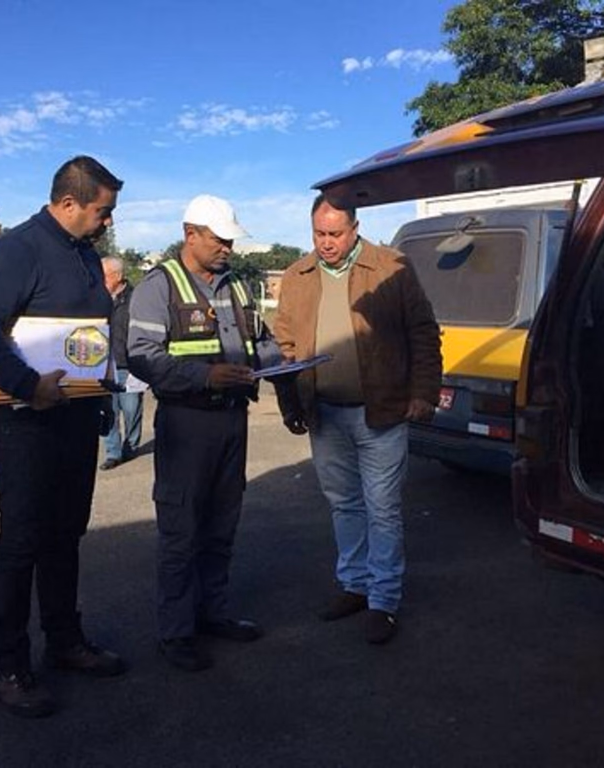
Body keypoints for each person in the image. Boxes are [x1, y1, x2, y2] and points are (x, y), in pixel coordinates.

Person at [0, 155, 126, 718]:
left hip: (75, 419)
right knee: (23, 540)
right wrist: (28, 385)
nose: (107, 222)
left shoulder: (82, 253)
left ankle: (65, 641)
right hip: (26, 421)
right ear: (69, 202)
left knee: (65, 536)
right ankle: (6, 665)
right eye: (102, 212)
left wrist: (97, 401)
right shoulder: (17, 250)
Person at [273, 195, 442, 645]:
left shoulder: (391, 267)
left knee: (382, 509)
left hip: (381, 412)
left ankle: (383, 602)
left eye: (335, 234)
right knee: (343, 504)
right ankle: (355, 585)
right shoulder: (296, 276)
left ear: (355, 228)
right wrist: (292, 404)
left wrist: (423, 392)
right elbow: (285, 345)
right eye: (318, 234)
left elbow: (424, 333)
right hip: (325, 413)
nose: (326, 244)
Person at [127, 194, 283, 672]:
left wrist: (286, 364)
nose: (228, 248)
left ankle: (212, 613)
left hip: (232, 420)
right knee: (181, 529)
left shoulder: (235, 287)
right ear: (190, 233)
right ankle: (175, 632)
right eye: (220, 239)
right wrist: (204, 376)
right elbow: (142, 355)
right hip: (186, 422)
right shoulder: (160, 286)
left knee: (221, 523)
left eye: (232, 240)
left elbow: (260, 343)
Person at [99, 256, 143, 470]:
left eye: (104, 275)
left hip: (129, 365)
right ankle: (113, 453)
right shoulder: (97, 299)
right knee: (109, 410)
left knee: (132, 409)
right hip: (104, 364)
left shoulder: (136, 300)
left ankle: (131, 445)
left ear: (117, 276)